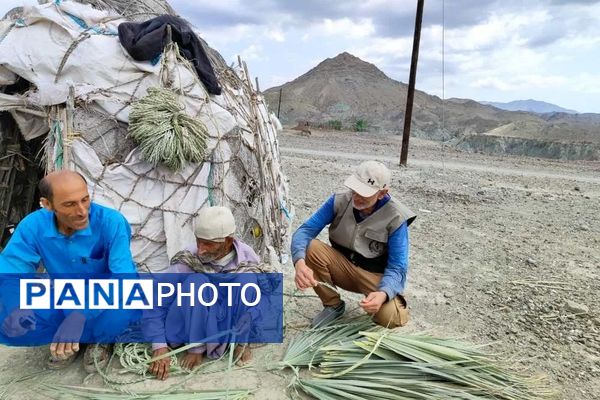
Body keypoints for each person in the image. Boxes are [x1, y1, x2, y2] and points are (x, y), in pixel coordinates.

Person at [0, 170, 137, 372]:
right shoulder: (33, 226)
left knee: (123, 312)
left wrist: (80, 314)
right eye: (70, 204)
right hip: (63, 293)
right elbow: (11, 272)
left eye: (85, 199)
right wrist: (17, 306)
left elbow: (124, 279)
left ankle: (98, 340)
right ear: (47, 205)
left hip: (105, 295)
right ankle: (69, 338)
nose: (82, 211)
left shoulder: (111, 222)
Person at [291, 160, 416, 328]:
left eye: (365, 193)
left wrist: (383, 293)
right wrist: (299, 262)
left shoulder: (396, 217)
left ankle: (382, 301)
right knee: (310, 247)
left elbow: (398, 267)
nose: (357, 197)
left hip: (373, 276)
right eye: (355, 189)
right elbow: (304, 231)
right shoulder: (339, 201)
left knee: (391, 318)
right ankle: (332, 305)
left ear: (382, 193)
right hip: (342, 266)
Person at [144, 206, 262, 380]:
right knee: (196, 282)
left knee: (247, 281)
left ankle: (240, 343)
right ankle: (195, 347)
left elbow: (260, 299)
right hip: (188, 324)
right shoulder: (188, 260)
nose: (200, 250)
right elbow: (155, 300)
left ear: (228, 242)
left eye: (208, 244)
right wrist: (158, 345)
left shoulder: (247, 258)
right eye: (198, 241)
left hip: (224, 326)